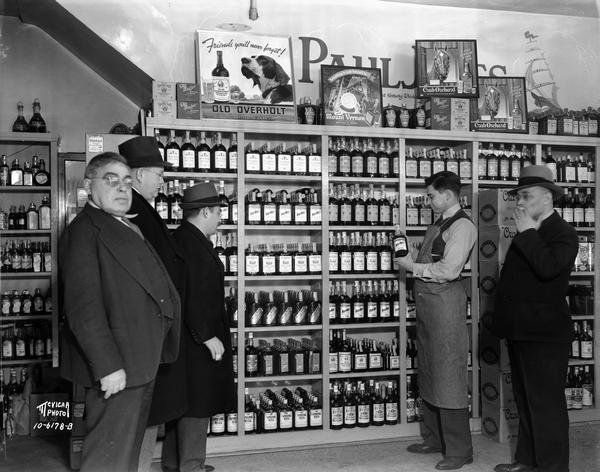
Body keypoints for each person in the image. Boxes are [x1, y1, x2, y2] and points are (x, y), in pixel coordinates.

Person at [59, 152, 181, 472]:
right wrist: (108, 366)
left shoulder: (122, 224)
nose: (122, 187)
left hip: (140, 359)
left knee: (125, 452)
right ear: (88, 186)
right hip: (117, 365)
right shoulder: (84, 230)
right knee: (107, 456)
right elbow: (83, 307)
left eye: (127, 181)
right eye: (111, 180)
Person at [492, 166, 578, 472]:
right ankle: (527, 461)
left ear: (547, 197)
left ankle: (554, 467)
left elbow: (548, 270)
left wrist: (527, 232)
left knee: (546, 405)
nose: (520, 203)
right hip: (520, 328)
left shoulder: (563, 233)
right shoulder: (529, 229)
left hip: (544, 333)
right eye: (518, 196)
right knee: (525, 400)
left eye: (526, 196)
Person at [395, 171, 476, 471]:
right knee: (427, 370)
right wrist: (415, 255)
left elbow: (450, 270)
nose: (428, 201)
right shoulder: (440, 222)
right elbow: (434, 261)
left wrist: (411, 266)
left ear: (447, 194)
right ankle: (434, 439)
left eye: (431, 195)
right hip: (428, 306)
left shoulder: (463, 226)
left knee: (449, 376)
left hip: (445, 306)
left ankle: (459, 450)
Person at [117, 135, 188, 472]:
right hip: (145, 329)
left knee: (149, 412)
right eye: (159, 174)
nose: (162, 182)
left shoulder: (143, 208)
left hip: (154, 327)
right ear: (140, 174)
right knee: (143, 413)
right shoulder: (133, 210)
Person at [166, 182, 236, 472]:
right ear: (205, 211)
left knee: (182, 402)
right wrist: (206, 335)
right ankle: (191, 467)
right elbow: (189, 295)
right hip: (197, 339)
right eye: (218, 211)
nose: (221, 217)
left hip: (188, 337)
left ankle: (174, 463)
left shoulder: (185, 238)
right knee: (197, 404)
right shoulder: (191, 245)